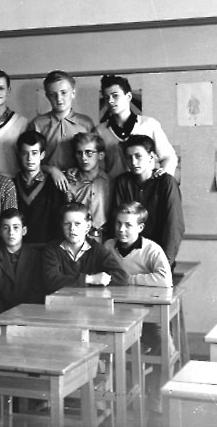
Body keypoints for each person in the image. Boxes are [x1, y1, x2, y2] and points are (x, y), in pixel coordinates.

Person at [103, 200, 172, 415]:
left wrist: (127, 280)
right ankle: (112, 400)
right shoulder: (107, 247)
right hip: (115, 317)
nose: (121, 229)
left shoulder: (152, 249)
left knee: (165, 344)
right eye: (118, 223)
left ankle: (156, 397)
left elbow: (165, 280)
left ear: (140, 227)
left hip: (146, 319)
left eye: (128, 225)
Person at [112, 135, 184, 268]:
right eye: (129, 157)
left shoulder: (166, 182)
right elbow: (117, 221)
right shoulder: (123, 182)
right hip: (129, 259)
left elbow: (173, 226)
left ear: (151, 157)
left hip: (158, 258)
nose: (133, 162)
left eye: (138, 156)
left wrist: (164, 263)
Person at [94, 74, 177, 179]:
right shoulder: (100, 131)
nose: (110, 101)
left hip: (147, 187)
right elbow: (97, 167)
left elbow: (169, 157)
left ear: (128, 96)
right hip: (115, 188)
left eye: (115, 96)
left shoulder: (149, 124)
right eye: (107, 97)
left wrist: (163, 180)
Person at [29, 70, 95, 191]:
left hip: (80, 184)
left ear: (73, 93)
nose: (59, 98)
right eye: (53, 94)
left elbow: (93, 157)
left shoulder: (86, 123)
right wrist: (51, 169)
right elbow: (29, 159)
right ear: (47, 96)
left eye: (64, 92)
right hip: (46, 184)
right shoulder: (38, 124)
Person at [42, 202, 128, 294]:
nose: (72, 228)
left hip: (89, 301)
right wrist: (89, 279)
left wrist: (97, 281)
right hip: (59, 301)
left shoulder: (96, 249)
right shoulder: (52, 249)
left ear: (87, 226)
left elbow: (122, 277)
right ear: (62, 225)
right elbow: (51, 281)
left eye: (77, 224)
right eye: (67, 224)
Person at [0, 208, 45, 319]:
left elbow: (37, 291)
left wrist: (23, 315)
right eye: (6, 228)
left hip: (29, 315)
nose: (11, 233)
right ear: (0, 231)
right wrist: (7, 316)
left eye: (16, 227)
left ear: (24, 231)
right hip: (0, 315)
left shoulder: (36, 256)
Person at [13, 130, 65, 244]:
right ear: (19, 155)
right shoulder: (11, 184)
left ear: (42, 155)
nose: (29, 158)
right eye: (25, 153)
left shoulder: (54, 184)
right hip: (19, 247)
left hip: (47, 246)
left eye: (34, 153)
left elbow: (58, 222)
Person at [64, 133, 111, 243]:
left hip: (105, 239)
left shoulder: (110, 182)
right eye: (79, 153)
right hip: (76, 239)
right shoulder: (70, 182)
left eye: (89, 153)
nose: (83, 158)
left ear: (101, 155)